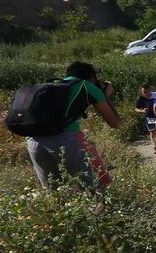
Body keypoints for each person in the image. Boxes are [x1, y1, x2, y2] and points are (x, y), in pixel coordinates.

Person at [25, 61, 121, 189]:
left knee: (54, 193)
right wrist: (105, 95)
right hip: (66, 140)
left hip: (33, 142)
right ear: (92, 77)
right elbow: (115, 123)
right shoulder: (86, 86)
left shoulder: (51, 86)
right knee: (89, 189)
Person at [135, 86, 156, 154]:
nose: (145, 93)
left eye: (146, 91)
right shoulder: (141, 99)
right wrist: (142, 111)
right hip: (149, 117)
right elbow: (136, 109)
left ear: (150, 90)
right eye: (143, 92)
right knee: (152, 132)